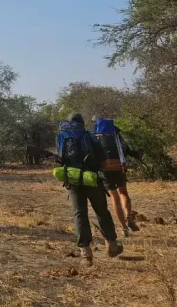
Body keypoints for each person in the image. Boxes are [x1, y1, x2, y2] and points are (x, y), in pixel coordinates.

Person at [55, 113, 123, 266]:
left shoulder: (62, 137)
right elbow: (102, 157)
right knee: (101, 211)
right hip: (91, 179)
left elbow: (58, 157)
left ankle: (85, 253)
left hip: (71, 180)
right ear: (82, 123)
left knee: (79, 213)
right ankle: (111, 244)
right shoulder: (89, 136)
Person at [92, 116, 142, 238]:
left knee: (114, 197)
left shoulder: (95, 135)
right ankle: (129, 218)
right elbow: (126, 149)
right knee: (123, 192)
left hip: (105, 170)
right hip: (119, 167)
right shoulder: (116, 134)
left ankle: (124, 228)